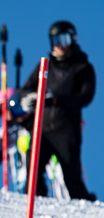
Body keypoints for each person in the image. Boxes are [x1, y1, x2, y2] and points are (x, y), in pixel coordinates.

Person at [20, 20, 96, 201]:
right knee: (33, 168)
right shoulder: (46, 66)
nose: (59, 45)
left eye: (64, 39)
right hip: (43, 129)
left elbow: (85, 97)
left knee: (71, 176)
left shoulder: (83, 68)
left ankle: (86, 208)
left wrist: (55, 100)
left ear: (72, 39)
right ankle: (39, 204)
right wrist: (29, 98)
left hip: (66, 129)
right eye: (55, 40)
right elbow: (26, 89)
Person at [0, 88, 32, 194]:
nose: (6, 114)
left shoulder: (26, 127)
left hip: (33, 176)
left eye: (7, 108)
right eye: (2, 110)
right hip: (17, 180)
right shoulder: (3, 133)